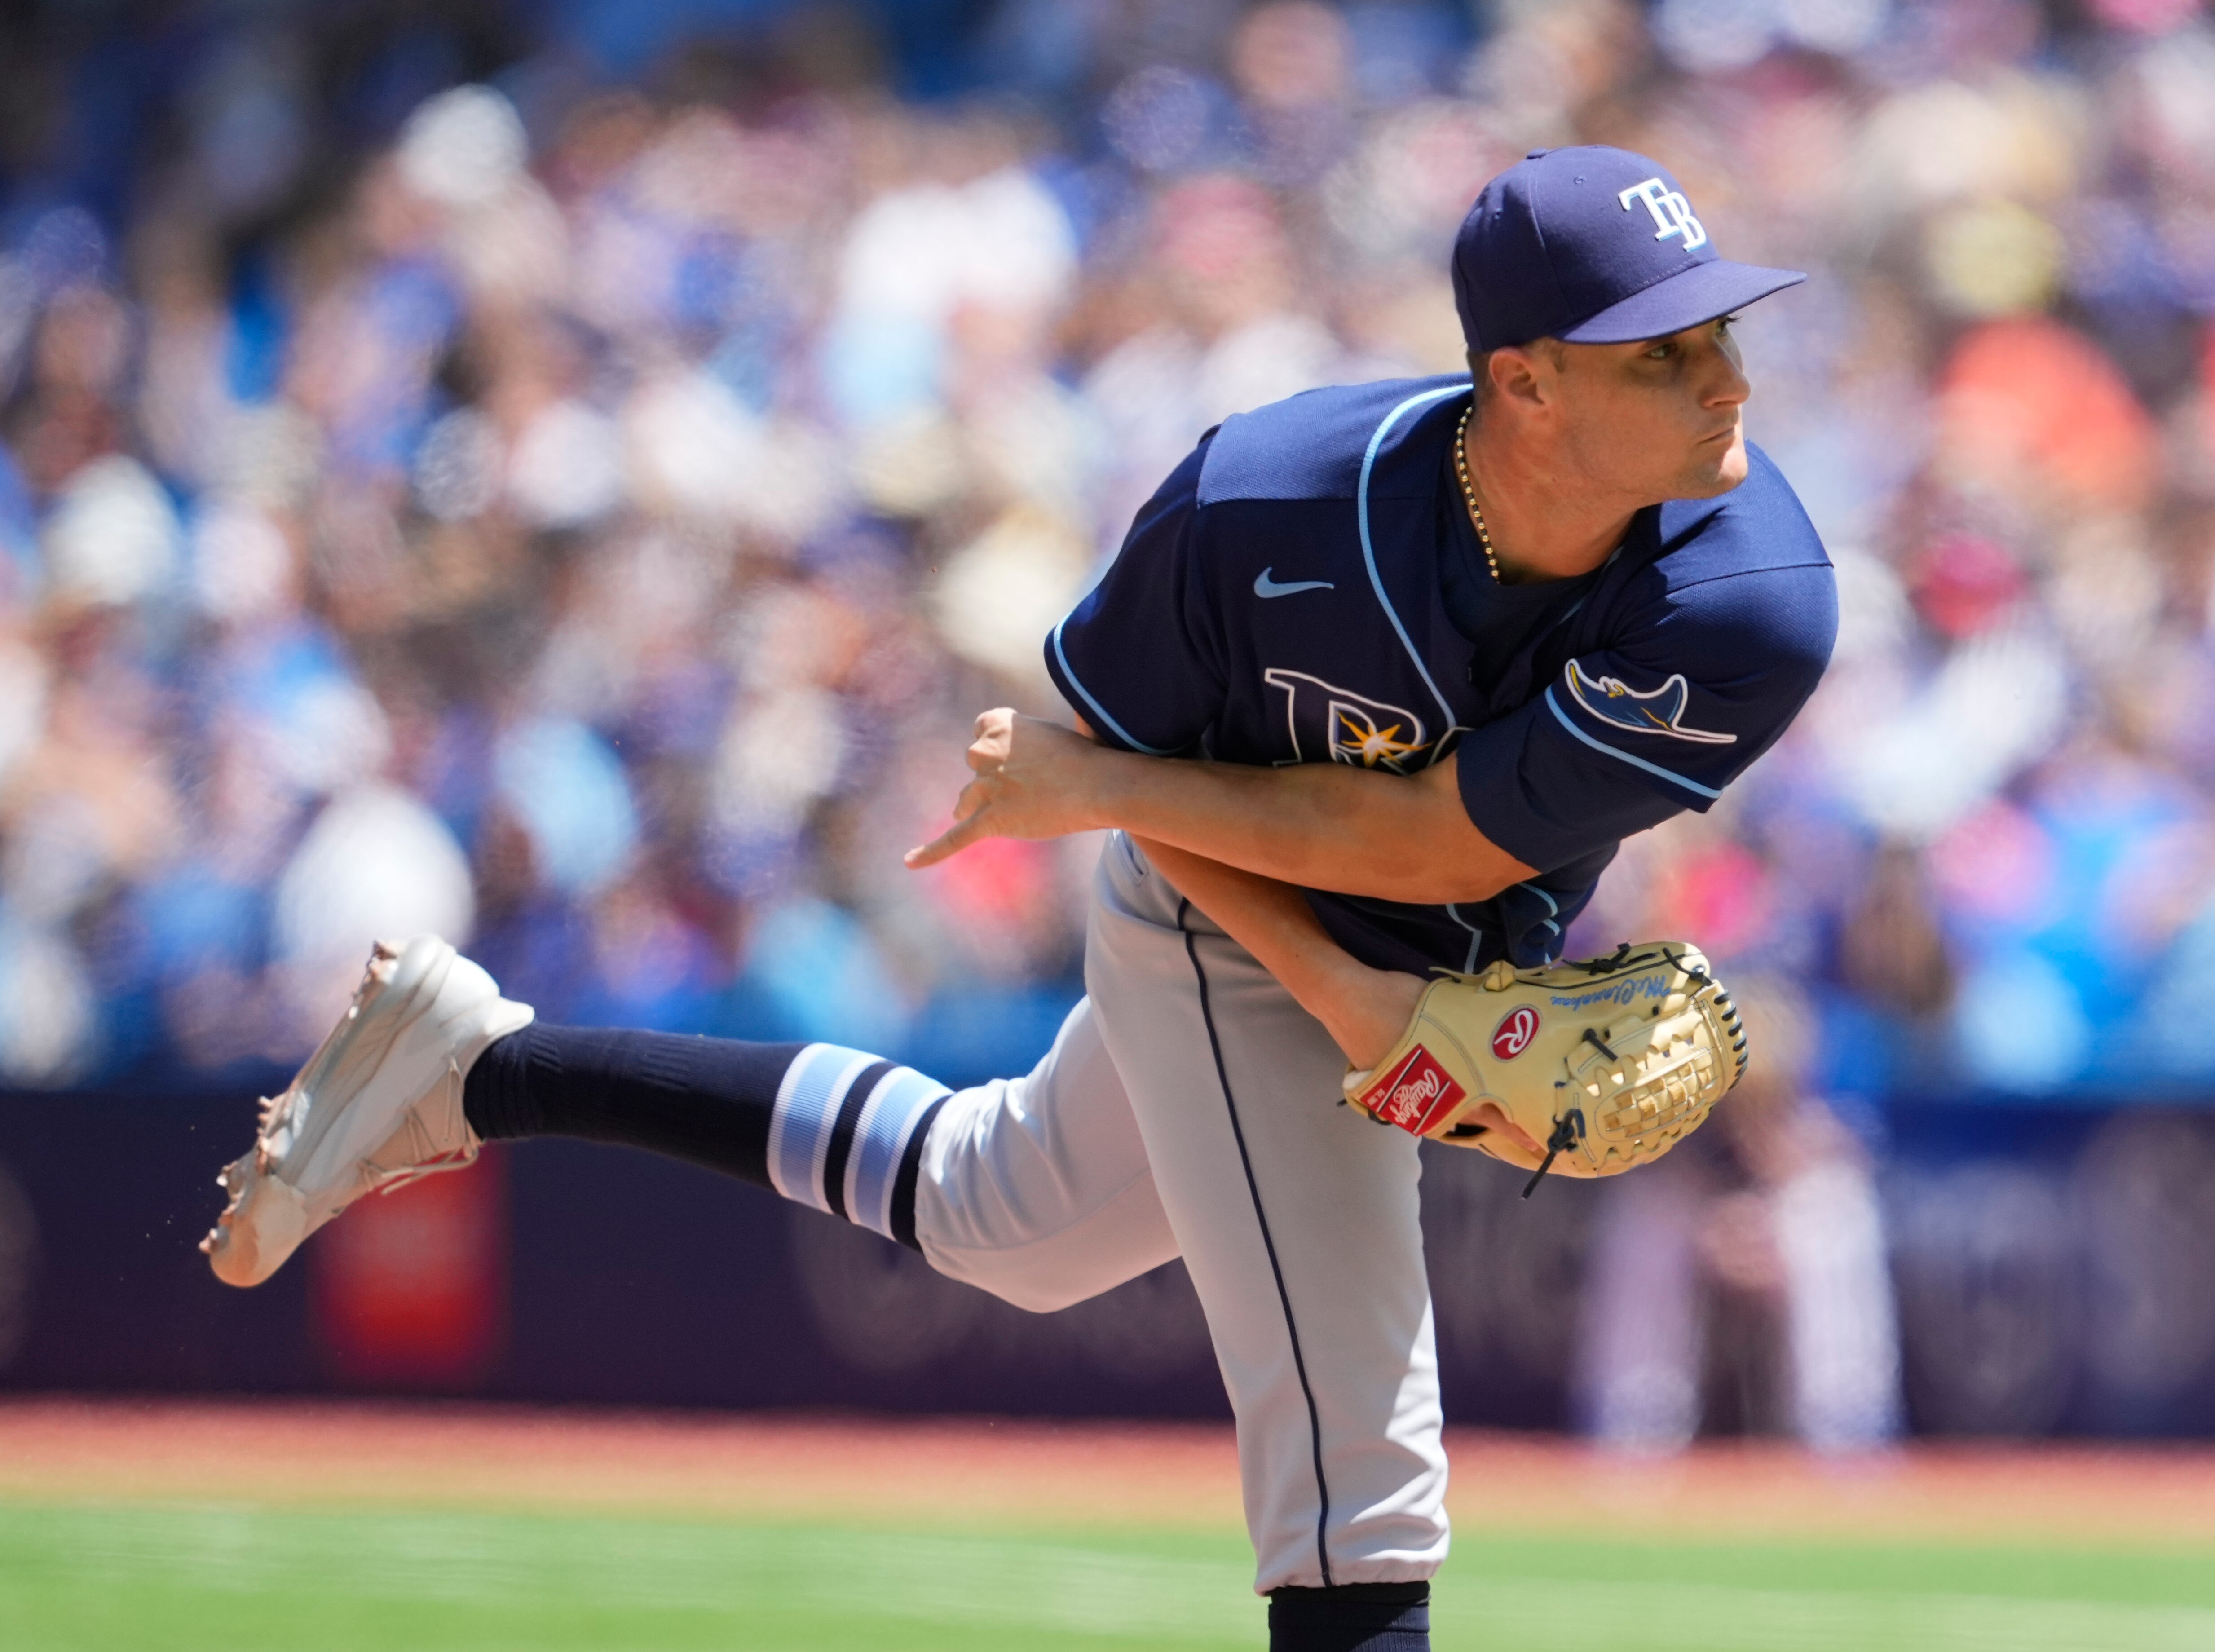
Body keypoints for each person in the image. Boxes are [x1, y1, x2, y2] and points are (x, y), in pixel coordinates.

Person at [202, 147, 1837, 1652]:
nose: (1726, 378)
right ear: (1524, 382)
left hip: (1393, 937)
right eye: (1664, 351)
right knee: (1358, 1473)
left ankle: (488, 1067)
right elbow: (1123, 781)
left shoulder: (1749, 596)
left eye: (1721, 333)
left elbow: (1433, 852)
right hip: (1225, 917)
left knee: (1003, 1215)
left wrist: (1159, 832)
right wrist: (1298, 955)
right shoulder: (1261, 505)